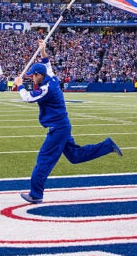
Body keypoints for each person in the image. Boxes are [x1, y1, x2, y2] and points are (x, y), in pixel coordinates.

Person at [13, 39, 122, 204]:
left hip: (58, 129)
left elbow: (28, 98)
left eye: (32, 76)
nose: (31, 79)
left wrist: (20, 85)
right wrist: (43, 51)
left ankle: (36, 194)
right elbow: (47, 64)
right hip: (62, 126)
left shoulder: (46, 88)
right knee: (75, 156)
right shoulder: (51, 78)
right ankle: (107, 146)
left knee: (44, 159)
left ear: (38, 75)